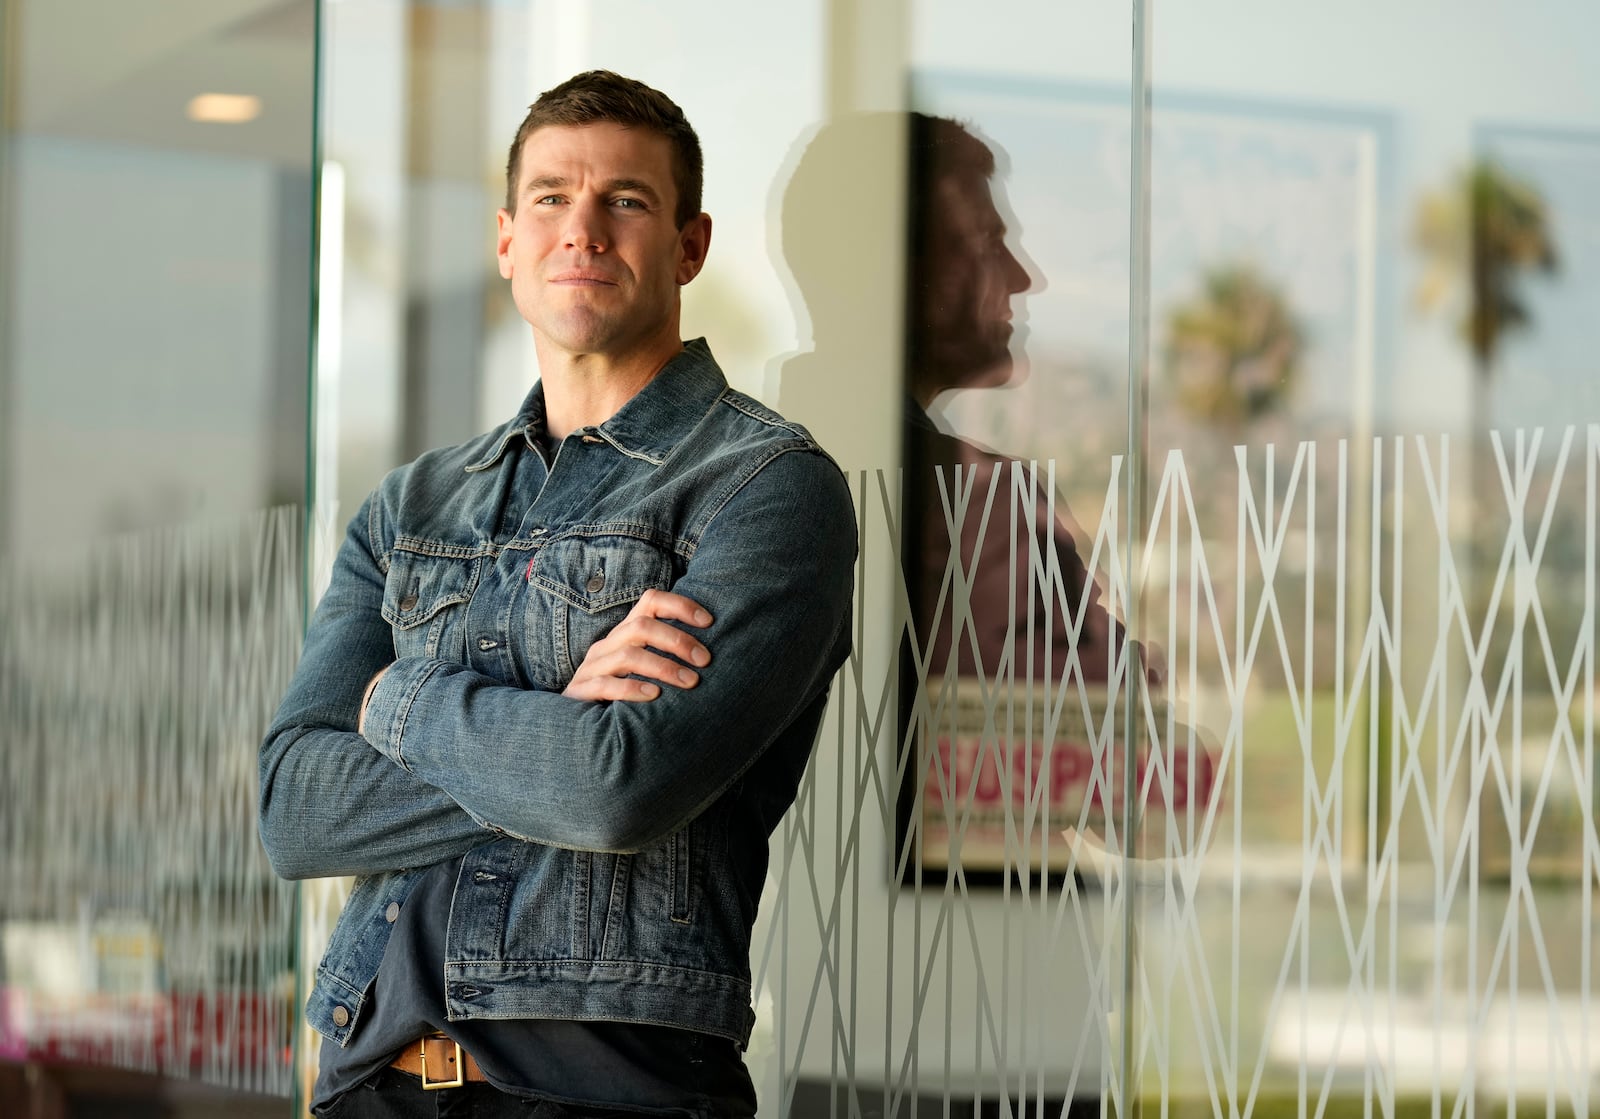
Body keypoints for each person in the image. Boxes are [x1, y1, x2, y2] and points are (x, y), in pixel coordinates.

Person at [258, 70, 856, 1118]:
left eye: (624, 200)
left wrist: (395, 702)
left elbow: (612, 790)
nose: (581, 228)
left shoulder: (765, 487)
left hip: (608, 1096)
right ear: (506, 241)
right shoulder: (413, 505)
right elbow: (295, 811)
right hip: (369, 1085)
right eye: (550, 198)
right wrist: (553, 725)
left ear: (688, 246)